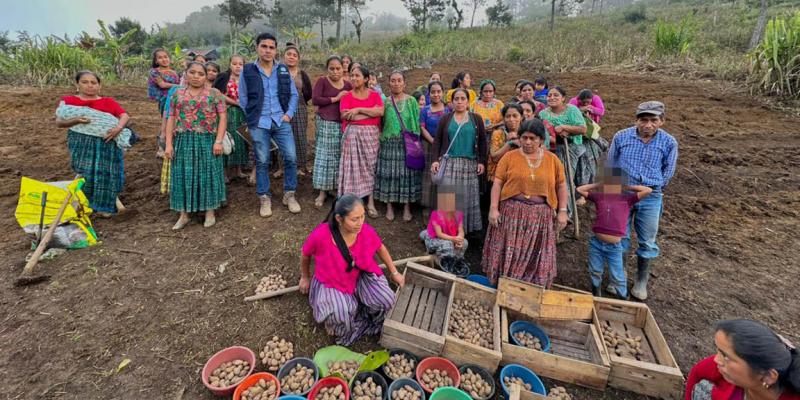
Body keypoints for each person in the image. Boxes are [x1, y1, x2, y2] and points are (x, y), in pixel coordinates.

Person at [299, 194, 404, 346]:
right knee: (339, 313)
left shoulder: (365, 231)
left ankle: (356, 305)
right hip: (332, 280)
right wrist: (305, 277)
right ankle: (336, 318)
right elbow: (305, 254)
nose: (360, 222)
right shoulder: (321, 234)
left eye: (362, 216)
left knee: (386, 301)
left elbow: (380, 248)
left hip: (360, 274)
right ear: (339, 219)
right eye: (354, 219)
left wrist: (395, 273)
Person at [482, 119, 568, 288]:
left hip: (540, 216)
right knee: (509, 250)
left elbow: (561, 185)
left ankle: (528, 289)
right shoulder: (509, 157)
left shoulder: (552, 160)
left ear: (541, 140)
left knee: (534, 253)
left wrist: (563, 211)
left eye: (533, 138)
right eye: (524, 138)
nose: (528, 142)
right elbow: (498, 182)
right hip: (511, 213)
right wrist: (493, 208)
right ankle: (503, 285)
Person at [607, 101, 678, 300]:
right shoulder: (621, 137)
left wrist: (653, 187)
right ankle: (618, 276)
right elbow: (611, 163)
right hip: (623, 193)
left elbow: (668, 171)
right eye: (643, 120)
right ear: (636, 120)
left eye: (653, 120)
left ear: (661, 121)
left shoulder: (669, 142)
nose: (647, 125)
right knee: (620, 236)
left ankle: (640, 281)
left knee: (647, 240)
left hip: (651, 195)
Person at [239, 32, 301, 217]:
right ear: (257, 48)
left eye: (271, 47)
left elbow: (294, 95)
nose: (267, 50)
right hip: (259, 123)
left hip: (280, 121)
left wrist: (288, 114)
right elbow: (243, 97)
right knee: (263, 161)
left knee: (290, 157)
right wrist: (252, 118)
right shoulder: (248, 70)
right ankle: (264, 197)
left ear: (276, 50)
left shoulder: (282, 70)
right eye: (264, 46)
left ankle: (289, 195)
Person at [56, 71, 130, 217]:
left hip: (106, 141)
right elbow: (59, 122)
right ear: (77, 85)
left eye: (93, 82)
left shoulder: (108, 102)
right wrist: (76, 120)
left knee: (106, 172)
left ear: (99, 85)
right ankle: (85, 203)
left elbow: (124, 115)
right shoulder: (69, 101)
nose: (90, 85)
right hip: (81, 142)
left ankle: (105, 205)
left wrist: (118, 128)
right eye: (85, 82)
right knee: (84, 171)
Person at [164, 62, 227, 229]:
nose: (196, 76)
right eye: (192, 72)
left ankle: (209, 212)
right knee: (183, 175)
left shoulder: (215, 94)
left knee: (208, 175)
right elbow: (170, 118)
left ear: (206, 76)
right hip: (183, 140)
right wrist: (169, 144)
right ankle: (184, 214)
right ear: (186, 73)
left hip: (207, 140)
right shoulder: (177, 94)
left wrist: (218, 140)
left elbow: (222, 118)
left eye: (200, 73)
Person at [577, 169, 652, 299]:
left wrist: (628, 186)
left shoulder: (627, 199)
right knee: (595, 270)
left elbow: (648, 190)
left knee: (617, 275)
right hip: (596, 243)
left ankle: (623, 298)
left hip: (614, 247)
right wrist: (597, 184)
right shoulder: (599, 197)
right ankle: (596, 294)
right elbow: (580, 190)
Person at [686, 319, 800, 400]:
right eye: (719, 351)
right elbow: (698, 372)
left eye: (726, 356)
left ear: (769, 376)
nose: (716, 360)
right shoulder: (723, 369)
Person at [431, 88, 487, 234]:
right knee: (448, 198)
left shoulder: (476, 119)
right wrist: (435, 160)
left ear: (468, 102)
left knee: (467, 198)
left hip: (469, 165)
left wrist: (481, 161)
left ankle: (465, 232)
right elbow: (437, 141)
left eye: (463, 99)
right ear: (452, 101)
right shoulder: (445, 119)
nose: (460, 102)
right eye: (457, 99)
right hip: (449, 163)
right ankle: (447, 231)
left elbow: (482, 142)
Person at [374, 71, 422, 222]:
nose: (396, 83)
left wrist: (415, 140)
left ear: (404, 83)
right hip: (388, 142)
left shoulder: (412, 101)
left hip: (406, 143)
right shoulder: (385, 101)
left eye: (399, 80)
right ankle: (389, 205)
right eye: (393, 80)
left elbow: (416, 121)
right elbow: (380, 123)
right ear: (389, 84)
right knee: (389, 174)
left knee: (406, 174)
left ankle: (407, 206)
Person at [339, 64, 384, 218]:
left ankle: (370, 202)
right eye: (352, 75)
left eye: (357, 75)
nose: (353, 78)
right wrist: (370, 114)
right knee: (353, 170)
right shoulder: (346, 96)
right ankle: (353, 204)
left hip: (371, 136)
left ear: (366, 79)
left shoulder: (374, 95)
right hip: (352, 136)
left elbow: (380, 111)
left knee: (370, 169)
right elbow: (345, 116)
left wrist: (358, 110)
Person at [311, 56, 353, 209]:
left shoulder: (348, 84)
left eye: (338, 68)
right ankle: (322, 191)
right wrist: (335, 98)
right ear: (327, 69)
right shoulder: (322, 81)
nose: (335, 71)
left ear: (343, 68)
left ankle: (335, 188)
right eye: (332, 68)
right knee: (325, 157)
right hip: (327, 123)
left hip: (342, 124)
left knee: (338, 157)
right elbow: (315, 100)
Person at [538, 86, 587, 214]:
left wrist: (565, 127)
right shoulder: (543, 113)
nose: (552, 98)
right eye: (549, 95)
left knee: (564, 178)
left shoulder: (571, 109)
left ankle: (567, 212)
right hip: (551, 148)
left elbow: (582, 129)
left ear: (563, 98)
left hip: (570, 146)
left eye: (556, 95)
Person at [275, 44, 312, 176]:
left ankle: (299, 166)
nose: (291, 57)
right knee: (282, 136)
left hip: (300, 108)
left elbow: (308, 93)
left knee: (300, 137)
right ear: (283, 56)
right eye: (289, 54)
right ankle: (282, 167)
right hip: (281, 109)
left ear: (298, 59)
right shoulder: (277, 71)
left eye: (294, 55)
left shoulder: (302, 75)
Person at [213, 55, 249, 181]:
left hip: (242, 114)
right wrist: (236, 103)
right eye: (235, 64)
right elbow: (217, 93)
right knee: (226, 139)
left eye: (241, 64)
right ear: (230, 65)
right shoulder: (223, 77)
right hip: (227, 112)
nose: (238, 66)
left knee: (240, 140)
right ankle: (224, 172)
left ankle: (238, 170)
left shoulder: (247, 79)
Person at [419, 81, 447, 212]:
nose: (436, 94)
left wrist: (441, 143)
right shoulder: (425, 110)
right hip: (428, 147)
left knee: (444, 176)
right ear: (429, 94)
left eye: (438, 91)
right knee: (429, 176)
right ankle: (427, 207)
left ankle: (442, 208)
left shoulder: (449, 109)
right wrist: (433, 141)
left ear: (443, 93)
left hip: (446, 148)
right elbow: (422, 127)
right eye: (433, 92)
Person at [419, 188, 466, 259]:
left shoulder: (458, 214)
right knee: (447, 244)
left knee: (464, 242)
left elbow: (460, 229)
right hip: (435, 238)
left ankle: (456, 259)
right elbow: (439, 234)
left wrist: (459, 239)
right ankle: (437, 257)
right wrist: (453, 239)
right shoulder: (436, 214)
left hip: (450, 237)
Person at [488, 103, 523, 182]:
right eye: (508, 116)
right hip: (499, 176)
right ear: (503, 119)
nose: (511, 119)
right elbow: (494, 157)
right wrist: (509, 143)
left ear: (521, 117)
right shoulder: (498, 134)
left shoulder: (527, 133)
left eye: (515, 116)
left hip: (521, 175)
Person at [147, 49, 180, 116]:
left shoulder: (175, 72)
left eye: (166, 57)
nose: (164, 59)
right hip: (164, 100)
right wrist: (179, 86)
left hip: (177, 99)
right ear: (156, 61)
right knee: (167, 119)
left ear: (169, 58)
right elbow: (162, 85)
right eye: (160, 58)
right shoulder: (154, 72)